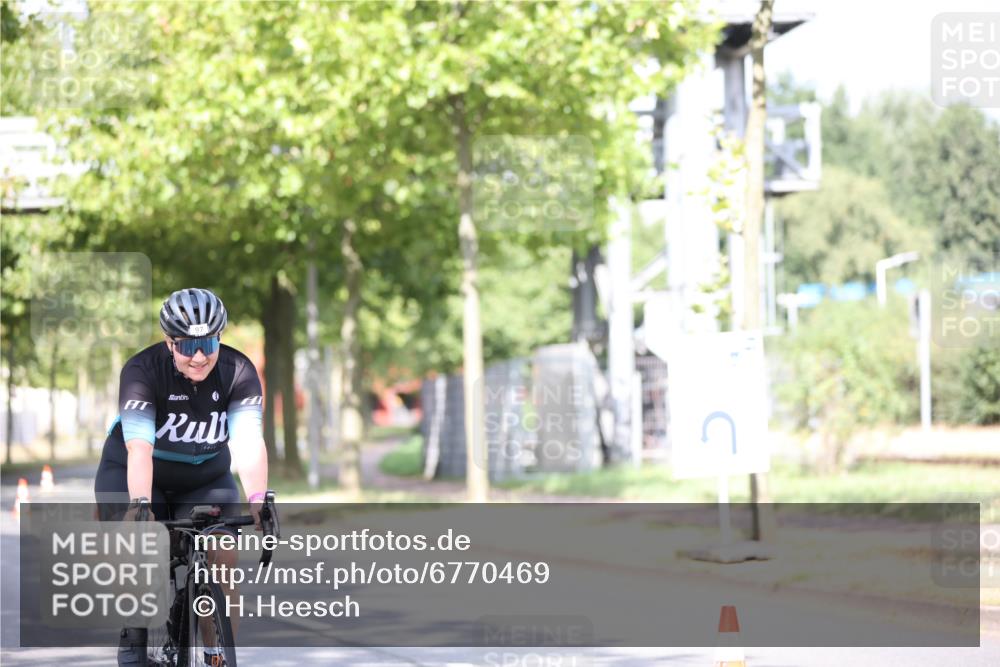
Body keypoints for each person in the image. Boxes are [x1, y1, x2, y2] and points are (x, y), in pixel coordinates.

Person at [95, 287, 268, 667]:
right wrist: (140, 506)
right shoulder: (142, 372)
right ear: (169, 343)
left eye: (208, 343)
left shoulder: (238, 372)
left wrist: (258, 500)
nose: (200, 356)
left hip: (204, 476)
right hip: (135, 471)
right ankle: (134, 633)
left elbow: (249, 441)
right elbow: (139, 449)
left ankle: (216, 655)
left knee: (223, 555)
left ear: (219, 337)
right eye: (188, 347)